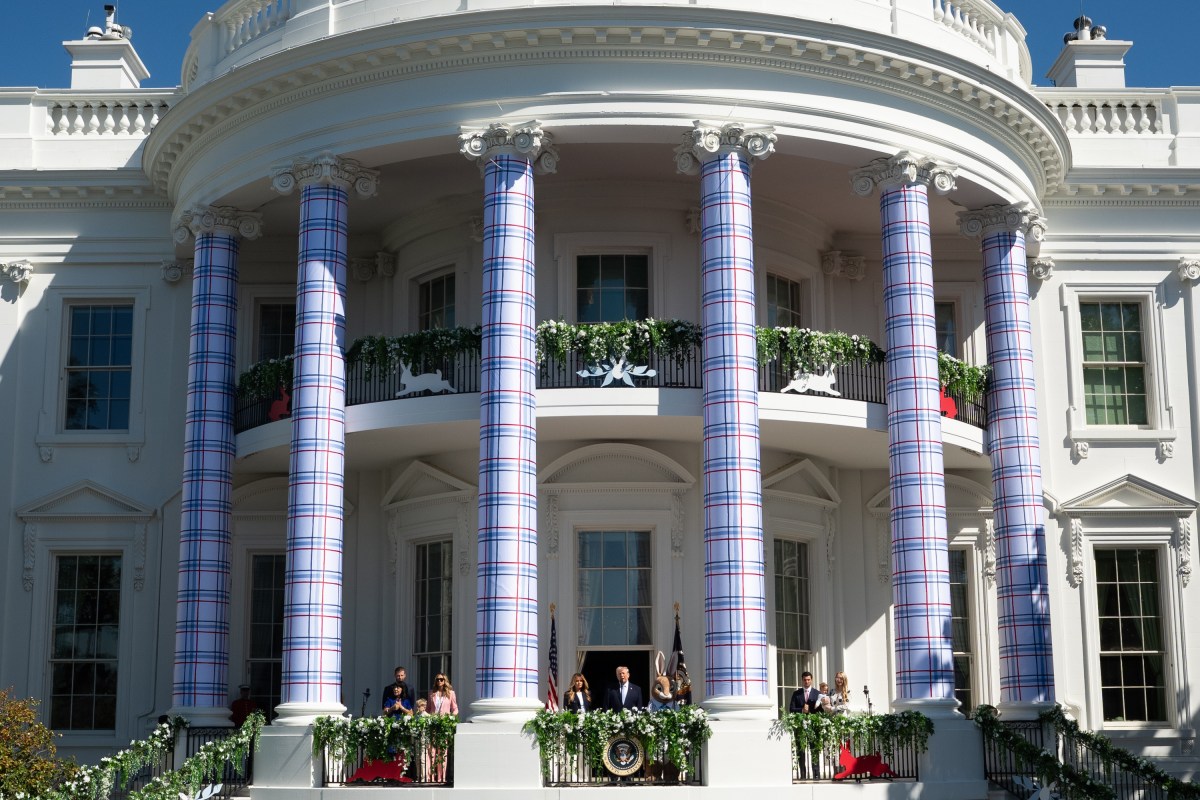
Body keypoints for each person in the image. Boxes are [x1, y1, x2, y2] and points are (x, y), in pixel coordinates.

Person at [788, 672, 823, 779]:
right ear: (802, 680)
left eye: (808, 679)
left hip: (813, 726)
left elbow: (821, 711)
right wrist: (802, 710)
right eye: (804, 680)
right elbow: (791, 709)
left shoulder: (817, 693)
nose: (806, 681)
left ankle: (816, 774)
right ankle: (802, 774)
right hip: (800, 726)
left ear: (811, 680)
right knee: (801, 750)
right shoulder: (796, 693)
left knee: (814, 749)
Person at [426, 674, 457, 782]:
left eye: (441, 679)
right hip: (433, 725)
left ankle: (441, 777)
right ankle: (431, 777)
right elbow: (428, 709)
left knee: (442, 752)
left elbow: (455, 709)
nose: (439, 681)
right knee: (432, 751)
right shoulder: (431, 693)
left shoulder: (450, 693)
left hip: (444, 725)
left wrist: (450, 718)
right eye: (437, 679)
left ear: (445, 681)